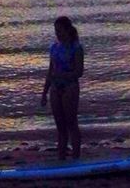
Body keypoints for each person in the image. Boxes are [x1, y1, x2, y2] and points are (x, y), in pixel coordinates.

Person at [40, 15, 83, 160]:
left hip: (69, 87)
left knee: (71, 123)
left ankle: (76, 156)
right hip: (55, 87)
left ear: (67, 30)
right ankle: (61, 156)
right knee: (60, 126)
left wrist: (64, 75)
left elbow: (79, 72)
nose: (58, 34)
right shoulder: (54, 47)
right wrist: (44, 92)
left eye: (60, 31)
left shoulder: (76, 48)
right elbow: (50, 71)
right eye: (56, 31)